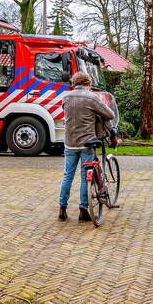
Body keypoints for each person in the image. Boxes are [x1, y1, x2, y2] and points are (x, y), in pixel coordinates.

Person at [58, 71, 115, 221]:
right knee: (85, 177)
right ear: (88, 84)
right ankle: (83, 210)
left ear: (73, 83)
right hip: (87, 143)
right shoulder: (92, 97)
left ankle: (62, 209)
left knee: (67, 176)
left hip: (69, 143)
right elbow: (110, 114)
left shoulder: (66, 97)